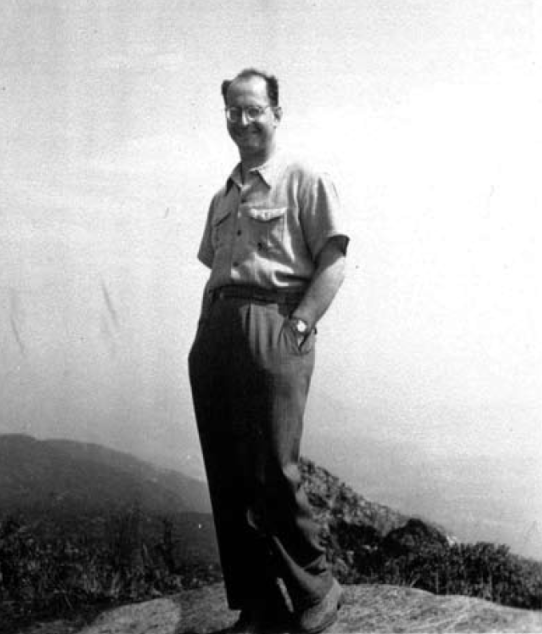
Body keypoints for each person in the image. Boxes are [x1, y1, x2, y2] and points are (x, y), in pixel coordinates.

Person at [188, 68, 349, 634]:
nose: (243, 120)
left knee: (274, 468)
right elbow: (216, 265)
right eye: (234, 110)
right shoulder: (222, 194)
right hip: (218, 330)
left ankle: (317, 588)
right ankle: (258, 604)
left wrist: (301, 324)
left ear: (276, 113)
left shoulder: (304, 179)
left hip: (274, 323)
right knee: (228, 473)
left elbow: (333, 260)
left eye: (254, 109)